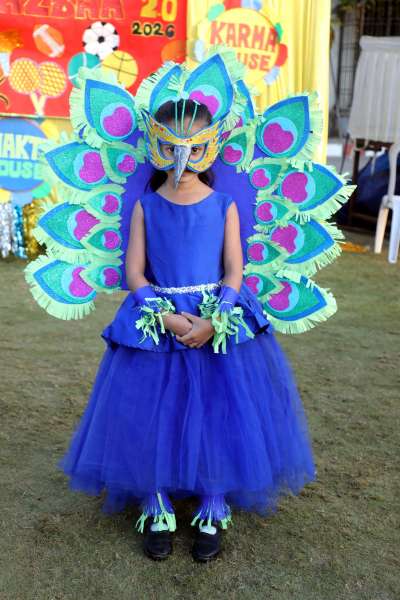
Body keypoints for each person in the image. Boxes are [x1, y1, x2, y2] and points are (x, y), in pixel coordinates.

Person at [25, 50, 351, 563]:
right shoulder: (146, 205)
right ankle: (154, 499)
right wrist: (167, 316)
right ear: (154, 144)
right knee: (153, 412)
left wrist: (217, 319)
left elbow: (235, 268)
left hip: (216, 317)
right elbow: (135, 272)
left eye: (193, 147)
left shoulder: (223, 205)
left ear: (212, 145)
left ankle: (213, 499)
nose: (181, 158)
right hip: (157, 319)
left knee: (219, 412)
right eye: (170, 146)